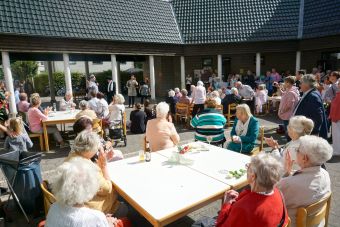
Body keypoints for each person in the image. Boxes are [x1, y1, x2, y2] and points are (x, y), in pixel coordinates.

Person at [198, 153, 288, 227]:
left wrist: (226, 204)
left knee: (200, 222)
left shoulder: (244, 208)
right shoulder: (278, 193)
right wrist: (240, 200)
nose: (247, 168)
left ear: (253, 176)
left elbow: (221, 225)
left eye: (248, 167)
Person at [46, 157, 130, 227]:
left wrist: (103, 219)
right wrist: (109, 224)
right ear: (90, 187)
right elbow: (89, 220)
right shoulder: (95, 217)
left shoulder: (54, 208)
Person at [277, 135, 332, 227]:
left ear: (305, 158)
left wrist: (285, 175)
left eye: (298, 150)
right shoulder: (324, 173)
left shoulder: (290, 184)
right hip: (317, 223)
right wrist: (288, 172)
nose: (296, 152)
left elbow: (273, 197)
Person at [65, 131, 124, 215]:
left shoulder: (72, 156)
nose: (98, 149)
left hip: (75, 203)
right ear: (91, 149)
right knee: (125, 209)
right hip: (92, 210)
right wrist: (103, 165)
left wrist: (103, 160)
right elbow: (107, 189)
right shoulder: (87, 168)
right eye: (97, 147)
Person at [292, 74, 328, 139]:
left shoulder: (313, 96)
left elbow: (318, 118)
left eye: (301, 83)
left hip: (308, 135)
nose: (300, 85)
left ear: (307, 84)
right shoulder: (309, 93)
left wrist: (313, 134)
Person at [330, 80, 340, 156]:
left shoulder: (339, 94)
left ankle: (337, 151)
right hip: (336, 117)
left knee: (336, 135)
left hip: (337, 118)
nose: (338, 85)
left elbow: (336, 107)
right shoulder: (338, 94)